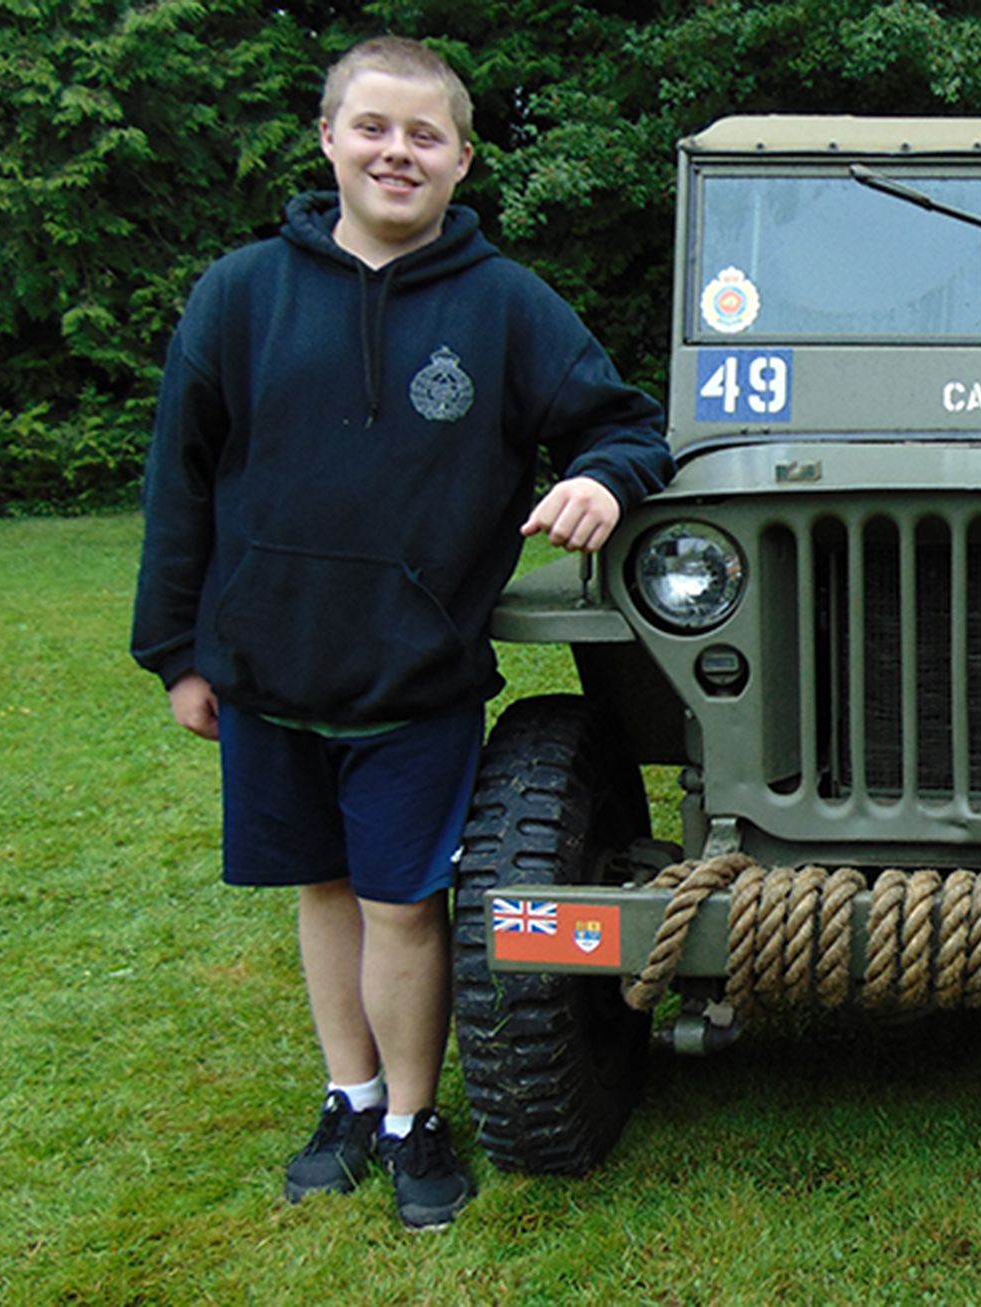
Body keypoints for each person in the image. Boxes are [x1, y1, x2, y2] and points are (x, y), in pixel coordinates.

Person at [130, 35, 673, 1231]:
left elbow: (626, 422)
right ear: (328, 138)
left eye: (424, 135)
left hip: (415, 672)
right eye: (372, 127)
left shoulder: (505, 305)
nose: (396, 152)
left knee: (402, 900)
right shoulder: (239, 295)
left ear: (463, 159)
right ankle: (349, 1090)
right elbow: (181, 481)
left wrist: (604, 481)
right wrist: (177, 651)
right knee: (320, 887)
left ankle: (413, 1115)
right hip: (267, 664)